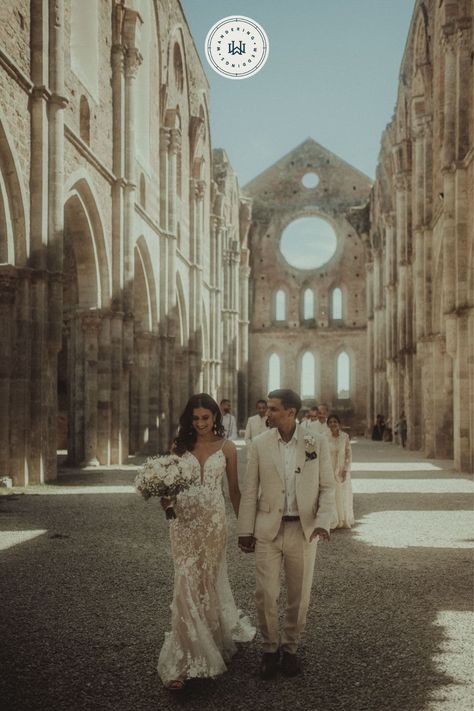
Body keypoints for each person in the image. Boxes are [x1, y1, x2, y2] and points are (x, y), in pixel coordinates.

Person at [157, 393, 255, 690]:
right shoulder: (178, 446)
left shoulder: (227, 448)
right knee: (185, 579)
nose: (200, 423)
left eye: (206, 417)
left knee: (207, 580)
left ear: (215, 417)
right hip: (184, 522)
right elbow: (168, 487)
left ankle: (208, 638)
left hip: (214, 522)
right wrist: (166, 502)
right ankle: (184, 657)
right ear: (189, 419)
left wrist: (245, 528)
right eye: (195, 418)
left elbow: (235, 491)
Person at [237, 389, 335, 679]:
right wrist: (245, 529)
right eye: (267, 409)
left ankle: (290, 648)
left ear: (291, 412)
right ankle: (269, 649)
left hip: (302, 530)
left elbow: (328, 486)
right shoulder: (259, 444)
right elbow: (251, 489)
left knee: (299, 594)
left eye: (274, 409)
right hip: (268, 528)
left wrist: (322, 521)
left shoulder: (315, 441)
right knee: (265, 593)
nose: (268, 413)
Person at [326, 414, 354, 529]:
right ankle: (333, 520)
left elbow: (348, 454)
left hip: (341, 467)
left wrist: (346, 469)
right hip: (329, 468)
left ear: (339, 424)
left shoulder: (345, 437)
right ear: (328, 424)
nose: (333, 424)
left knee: (342, 493)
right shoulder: (324, 437)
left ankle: (343, 519)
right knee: (331, 494)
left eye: (335, 422)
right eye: (331, 422)